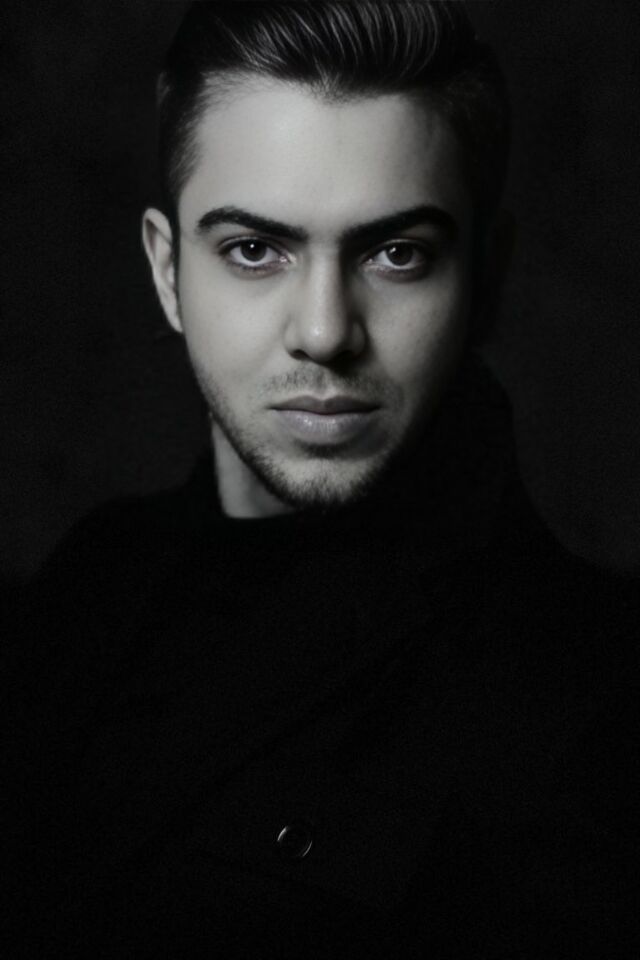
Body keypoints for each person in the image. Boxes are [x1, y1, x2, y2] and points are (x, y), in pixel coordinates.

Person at [3, 3, 637, 957]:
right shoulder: (88, 585)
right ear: (169, 273)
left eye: (397, 254)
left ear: (487, 276)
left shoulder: (594, 698)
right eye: (254, 250)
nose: (326, 331)